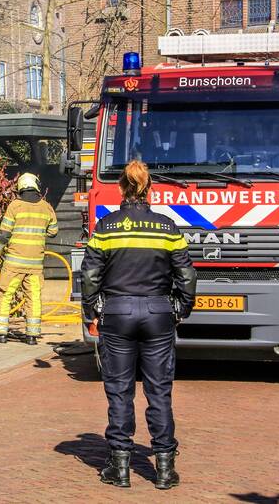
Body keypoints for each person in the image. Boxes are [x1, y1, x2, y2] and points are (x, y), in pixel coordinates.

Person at [80, 160, 197, 490]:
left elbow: (90, 276)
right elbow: (187, 275)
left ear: (121, 188)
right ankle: (164, 468)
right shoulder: (167, 228)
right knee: (159, 390)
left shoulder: (106, 228)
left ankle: (120, 467)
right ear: (150, 190)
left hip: (117, 314)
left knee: (120, 391)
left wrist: (92, 311)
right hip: (158, 313)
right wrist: (181, 308)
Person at [0, 172, 58, 345]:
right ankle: (32, 335)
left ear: (20, 187)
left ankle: (0, 333)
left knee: (5, 295)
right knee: (33, 298)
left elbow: (4, 235)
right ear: (36, 186)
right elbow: (53, 231)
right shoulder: (46, 207)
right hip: (35, 266)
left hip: (14, 264)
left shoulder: (15, 206)